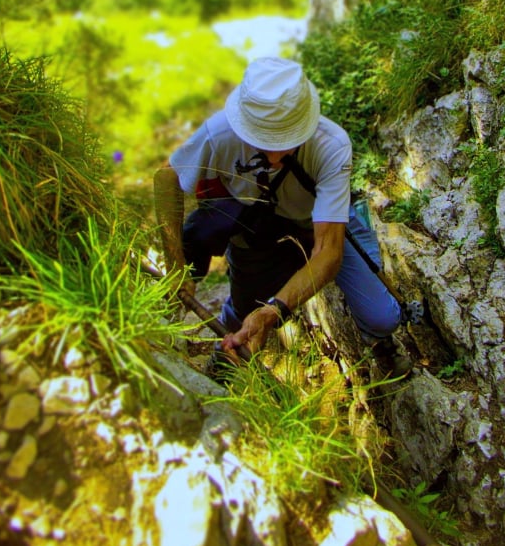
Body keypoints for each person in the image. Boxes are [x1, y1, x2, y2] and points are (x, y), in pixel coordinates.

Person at [153, 56, 410, 376]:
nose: (274, 156)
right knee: (242, 311)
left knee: (383, 316)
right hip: (260, 226)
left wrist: (274, 310)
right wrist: (177, 267)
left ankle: (379, 340)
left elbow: (329, 253)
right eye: (262, 141)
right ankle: (227, 350)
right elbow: (167, 179)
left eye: (285, 142)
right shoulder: (219, 133)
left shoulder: (330, 145)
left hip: (322, 220)